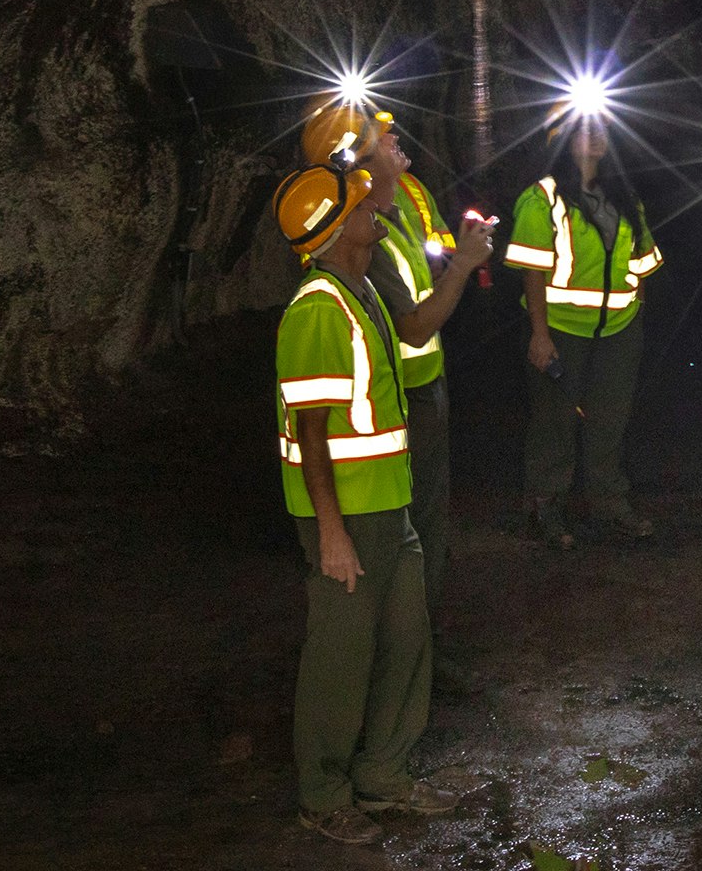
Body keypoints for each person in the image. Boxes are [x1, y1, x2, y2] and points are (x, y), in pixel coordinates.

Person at [268, 154, 458, 844]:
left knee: (406, 640)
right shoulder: (318, 311)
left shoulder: (361, 292)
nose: (376, 205)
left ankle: (384, 776)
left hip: (388, 504)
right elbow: (311, 434)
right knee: (340, 657)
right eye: (361, 203)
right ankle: (323, 794)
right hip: (347, 514)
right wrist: (330, 533)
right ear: (336, 226)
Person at [501, 103, 663, 550]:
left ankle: (609, 504)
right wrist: (539, 334)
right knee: (554, 425)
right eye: (582, 130)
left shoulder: (625, 197)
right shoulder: (544, 197)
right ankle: (547, 507)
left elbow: (643, 264)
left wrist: (635, 324)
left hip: (618, 333)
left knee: (610, 422)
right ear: (562, 140)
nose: (593, 137)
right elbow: (532, 270)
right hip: (561, 330)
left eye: (601, 129)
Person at [357, 122, 493, 639]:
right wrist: (463, 266)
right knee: (407, 532)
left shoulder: (399, 213)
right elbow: (412, 327)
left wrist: (460, 258)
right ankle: (405, 656)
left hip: (424, 389)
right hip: (397, 401)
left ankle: (421, 649)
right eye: (382, 137)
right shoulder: (366, 231)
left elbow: (425, 293)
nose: (395, 138)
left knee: (430, 527)